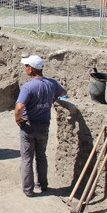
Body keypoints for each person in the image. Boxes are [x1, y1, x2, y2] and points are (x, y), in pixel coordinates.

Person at [14, 55, 66, 197]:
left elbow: (19, 107)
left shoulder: (28, 87)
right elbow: (63, 92)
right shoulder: (51, 83)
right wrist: (51, 98)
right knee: (41, 156)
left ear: (31, 69)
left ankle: (28, 189)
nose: (25, 69)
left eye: (26, 66)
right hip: (44, 125)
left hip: (29, 125)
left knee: (26, 158)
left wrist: (17, 119)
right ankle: (43, 185)